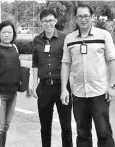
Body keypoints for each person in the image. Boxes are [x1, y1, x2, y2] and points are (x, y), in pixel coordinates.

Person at [60, 4, 115, 147]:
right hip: (79, 93)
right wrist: (64, 89)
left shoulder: (103, 35)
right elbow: (66, 63)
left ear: (91, 17)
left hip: (99, 92)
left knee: (104, 132)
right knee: (82, 133)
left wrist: (111, 86)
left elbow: (112, 61)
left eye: (86, 16)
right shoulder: (69, 39)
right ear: (76, 18)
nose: (83, 19)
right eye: (80, 16)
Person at [31, 9, 73, 147]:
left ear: (55, 21)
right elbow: (35, 63)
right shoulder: (37, 40)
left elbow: (68, 62)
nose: (47, 23)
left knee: (66, 126)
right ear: (41, 23)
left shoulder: (64, 38)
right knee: (45, 126)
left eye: (50, 20)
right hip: (44, 87)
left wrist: (64, 88)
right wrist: (33, 84)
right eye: (44, 21)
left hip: (62, 87)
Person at [0, 21, 20, 147]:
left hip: (13, 93)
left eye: (10, 32)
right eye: (4, 32)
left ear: (13, 34)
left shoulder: (14, 48)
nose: (7, 35)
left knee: (5, 126)